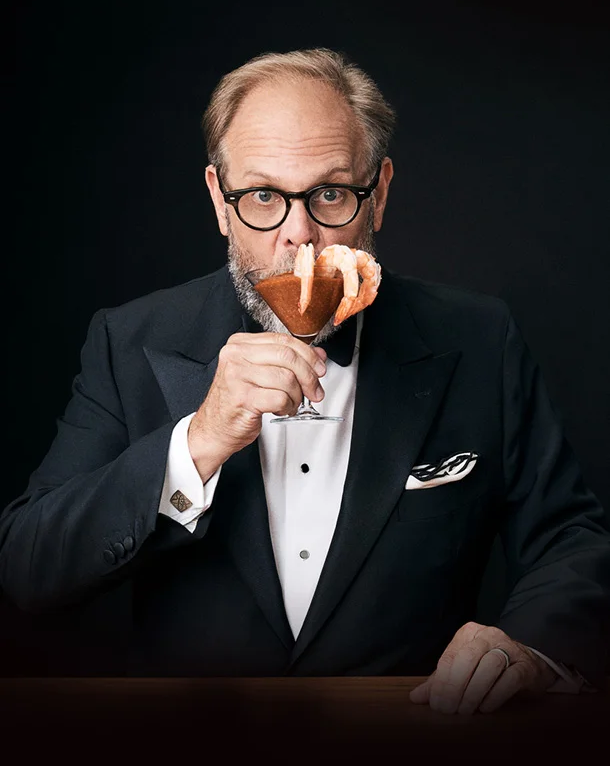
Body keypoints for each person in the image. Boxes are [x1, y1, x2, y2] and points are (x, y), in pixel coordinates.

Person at [1, 47, 608, 714]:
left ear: (378, 194)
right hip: (183, 764)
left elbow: (571, 539)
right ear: (218, 201)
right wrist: (196, 443)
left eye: (329, 193)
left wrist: (525, 646)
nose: (301, 237)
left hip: (409, 757)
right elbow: (27, 570)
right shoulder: (129, 340)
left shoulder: (481, 339)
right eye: (263, 195)